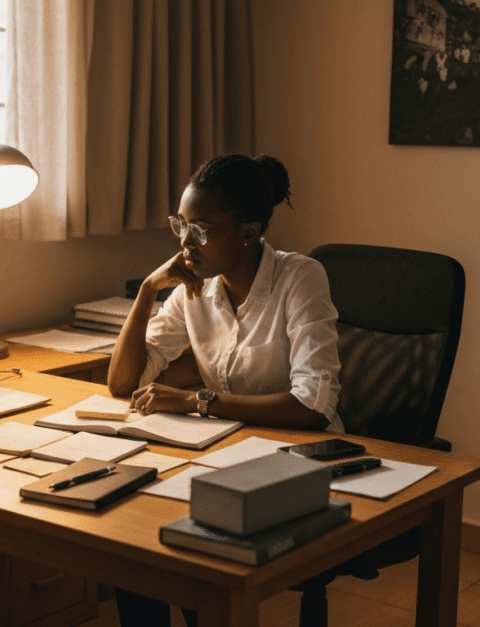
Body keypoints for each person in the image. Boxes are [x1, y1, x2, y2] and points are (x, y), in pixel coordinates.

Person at [106, 153, 344, 627]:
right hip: (225, 453)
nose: (185, 243)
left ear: (248, 233)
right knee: (130, 542)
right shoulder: (192, 289)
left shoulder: (299, 278)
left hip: (301, 458)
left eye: (201, 229)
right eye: (181, 225)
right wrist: (148, 290)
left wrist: (198, 401)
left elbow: (314, 407)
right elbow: (123, 384)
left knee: (196, 548)